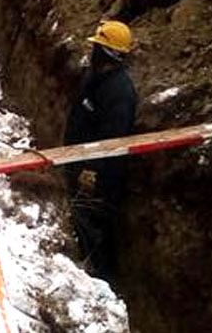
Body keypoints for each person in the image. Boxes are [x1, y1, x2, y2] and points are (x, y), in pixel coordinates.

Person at [63, 20, 137, 280]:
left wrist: (92, 172)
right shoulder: (93, 78)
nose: (92, 50)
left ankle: (101, 279)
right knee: (79, 220)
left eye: (98, 47)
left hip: (99, 179)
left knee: (94, 227)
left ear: (109, 53)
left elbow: (113, 138)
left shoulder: (120, 93)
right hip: (77, 164)